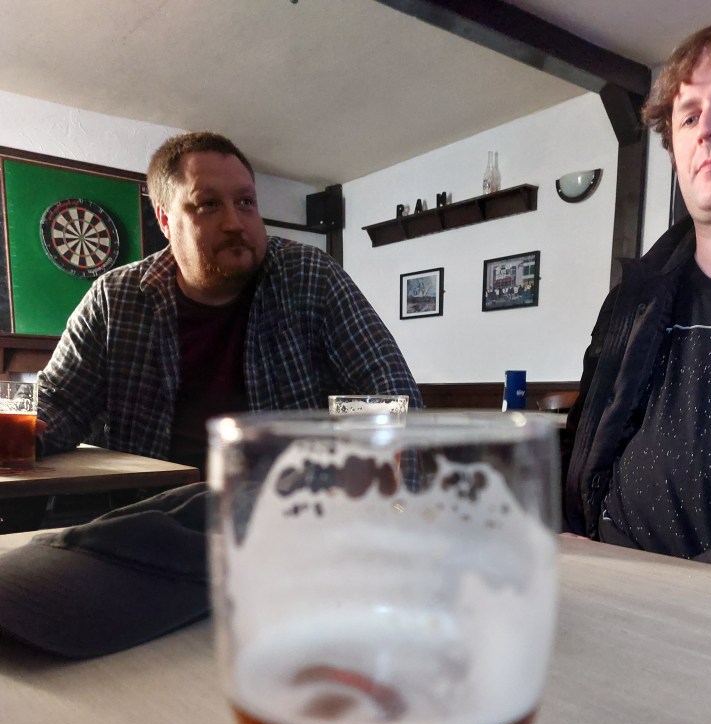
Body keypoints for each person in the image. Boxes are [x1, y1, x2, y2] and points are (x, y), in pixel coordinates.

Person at [36, 131, 422, 477]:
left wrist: (376, 499)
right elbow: (60, 402)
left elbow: (387, 391)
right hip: (148, 512)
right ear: (165, 221)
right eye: (208, 204)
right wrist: (27, 432)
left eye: (245, 202)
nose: (235, 222)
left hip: (287, 513)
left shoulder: (309, 275)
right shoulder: (113, 298)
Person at [565, 19, 711, 574]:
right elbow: (582, 449)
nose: (708, 130)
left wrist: (664, 592)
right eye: (690, 116)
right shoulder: (631, 302)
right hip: (601, 590)